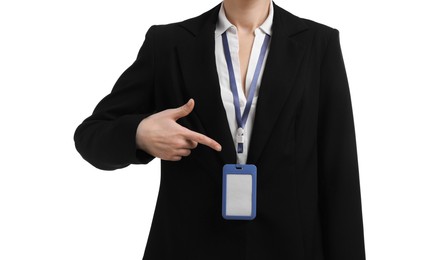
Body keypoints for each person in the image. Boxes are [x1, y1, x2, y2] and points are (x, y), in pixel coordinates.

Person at [74, 0, 366, 259]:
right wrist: (140, 134)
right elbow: (91, 136)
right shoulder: (167, 43)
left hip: (290, 247)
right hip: (188, 246)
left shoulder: (318, 43)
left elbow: (339, 173)